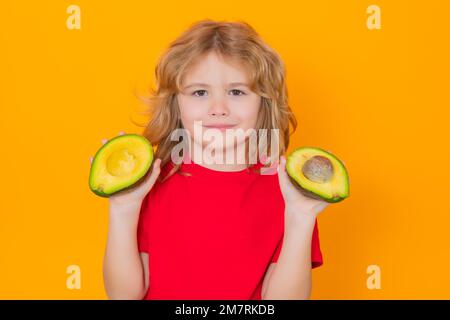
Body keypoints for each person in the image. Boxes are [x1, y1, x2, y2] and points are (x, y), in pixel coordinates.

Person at [101, 19, 330, 300]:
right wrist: (123, 207)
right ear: (176, 103)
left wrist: (300, 217)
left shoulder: (286, 190)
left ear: (264, 102)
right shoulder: (150, 183)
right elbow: (124, 296)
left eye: (236, 91)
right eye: (199, 92)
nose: (218, 109)